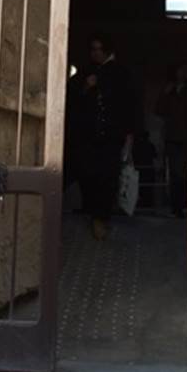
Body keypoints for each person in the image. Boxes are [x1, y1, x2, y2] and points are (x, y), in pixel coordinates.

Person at [71, 34, 135, 240]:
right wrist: (86, 87)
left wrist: (129, 134)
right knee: (89, 174)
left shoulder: (122, 73)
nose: (95, 53)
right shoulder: (86, 71)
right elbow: (74, 96)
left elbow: (129, 105)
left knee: (107, 177)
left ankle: (101, 218)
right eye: (93, 49)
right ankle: (94, 214)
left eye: (99, 49)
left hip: (111, 136)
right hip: (89, 135)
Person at [155, 62, 187, 218]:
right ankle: (177, 206)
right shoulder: (169, 90)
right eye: (180, 70)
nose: (182, 74)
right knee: (175, 173)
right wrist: (165, 93)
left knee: (183, 172)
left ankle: (183, 205)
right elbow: (158, 110)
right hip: (172, 136)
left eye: (184, 71)